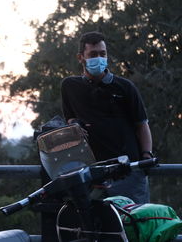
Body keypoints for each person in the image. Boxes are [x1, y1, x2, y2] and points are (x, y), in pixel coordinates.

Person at [60, 31, 153, 204]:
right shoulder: (69, 86)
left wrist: (146, 157)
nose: (99, 58)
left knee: (133, 224)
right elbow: (70, 118)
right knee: (96, 227)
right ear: (81, 57)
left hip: (127, 172)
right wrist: (75, 126)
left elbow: (142, 124)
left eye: (103, 54)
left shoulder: (125, 87)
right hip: (91, 173)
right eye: (93, 54)